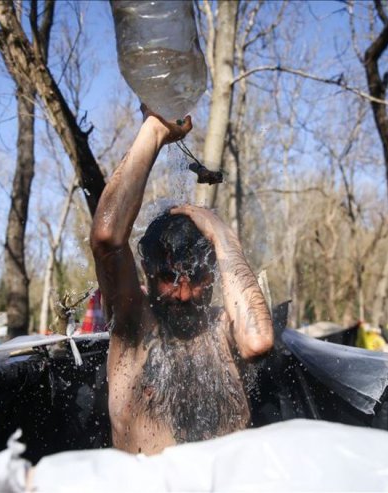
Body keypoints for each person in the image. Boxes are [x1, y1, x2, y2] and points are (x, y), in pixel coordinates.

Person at [90, 106, 274, 455]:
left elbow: (259, 341)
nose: (185, 294)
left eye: (199, 278)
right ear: (146, 271)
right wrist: (154, 132)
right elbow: (107, 240)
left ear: (214, 271)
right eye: (168, 278)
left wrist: (223, 236)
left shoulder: (222, 327)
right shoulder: (134, 326)